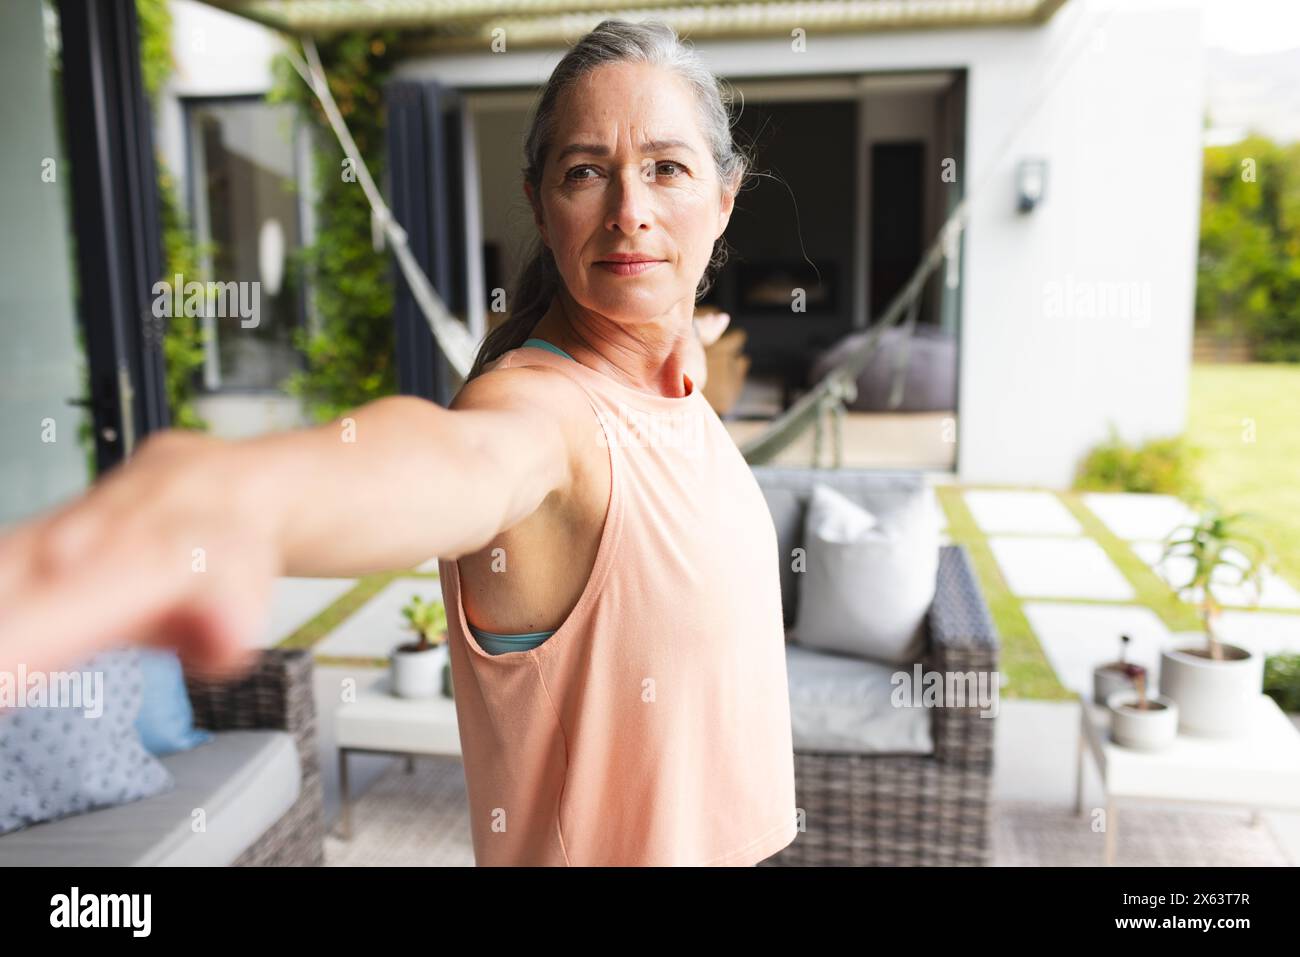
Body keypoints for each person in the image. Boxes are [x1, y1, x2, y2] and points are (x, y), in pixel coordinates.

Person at [0, 18, 797, 866]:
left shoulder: (667, 378)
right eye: (585, 173)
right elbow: (459, 461)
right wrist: (218, 499)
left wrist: (685, 336)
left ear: (724, 196)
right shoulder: (542, 415)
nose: (629, 211)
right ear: (540, 202)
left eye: (666, 168)